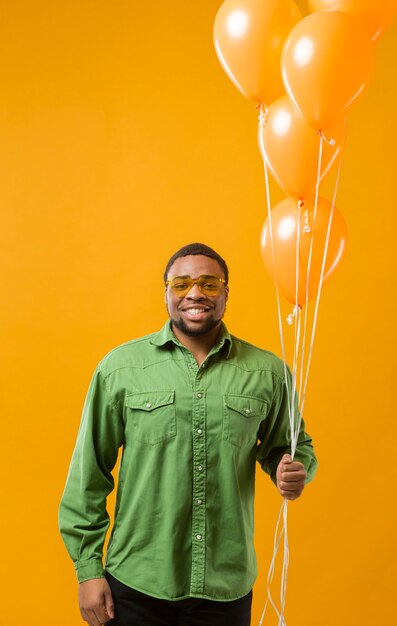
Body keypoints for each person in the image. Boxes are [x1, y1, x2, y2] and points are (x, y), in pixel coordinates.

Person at [59, 242, 317, 626]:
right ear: (166, 292)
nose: (195, 292)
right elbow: (88, 475)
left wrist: (295, 471)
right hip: (136, 581)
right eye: (181, 284)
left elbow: (292, 449)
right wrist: (88, 569)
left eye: (209, 284)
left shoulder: (267, 373)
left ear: (226, 293)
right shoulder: (120, 369)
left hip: (224, 584)